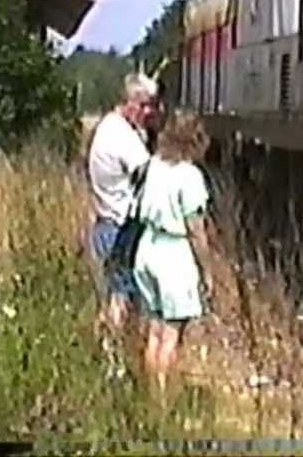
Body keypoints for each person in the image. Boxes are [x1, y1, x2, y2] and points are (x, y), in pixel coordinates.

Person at [130, 110, 216, 399]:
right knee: (171, 334)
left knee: (154, 329)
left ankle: (151, 396)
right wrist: (207, 271)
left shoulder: (154, 165)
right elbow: (196, 229)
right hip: (173, 254)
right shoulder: (189, 176)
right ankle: (164, 401)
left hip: (147, 247)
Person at [86, 73, 160, 337]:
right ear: (130, 102)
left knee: (111, 295)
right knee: (122, 297)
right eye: (144, 105)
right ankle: (113, 358)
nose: (148, 112)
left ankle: (102, 351)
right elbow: (151, 175)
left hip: (105, 222)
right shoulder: (123, 137)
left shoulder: (107, 127)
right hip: (120, 228)